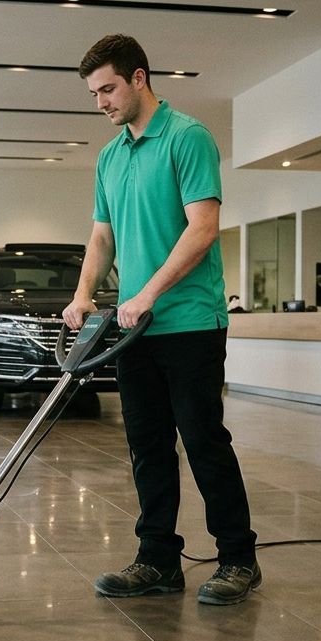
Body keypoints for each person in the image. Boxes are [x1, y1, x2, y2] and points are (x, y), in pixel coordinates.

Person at [64, 34, 259, 606]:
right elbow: (102, 236)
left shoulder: (187, 137)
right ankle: (158, 560)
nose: (99, 102)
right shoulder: (109, 155)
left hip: (190, 322)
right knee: (147, 444)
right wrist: (82, 295)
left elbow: (202, 228)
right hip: (134, 328)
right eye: (93, 93)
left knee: (203, 441)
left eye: (107, 89)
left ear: (139, 78)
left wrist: (146, 292)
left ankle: (239, 559)